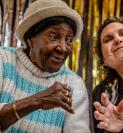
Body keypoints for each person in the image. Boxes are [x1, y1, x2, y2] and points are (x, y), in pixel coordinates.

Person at [0, 0, 90, 132]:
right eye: (53, 36)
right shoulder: (3, 60)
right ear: (30, 39)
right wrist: (38, 100)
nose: (63, 48)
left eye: (69, 40)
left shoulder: (74, 84)